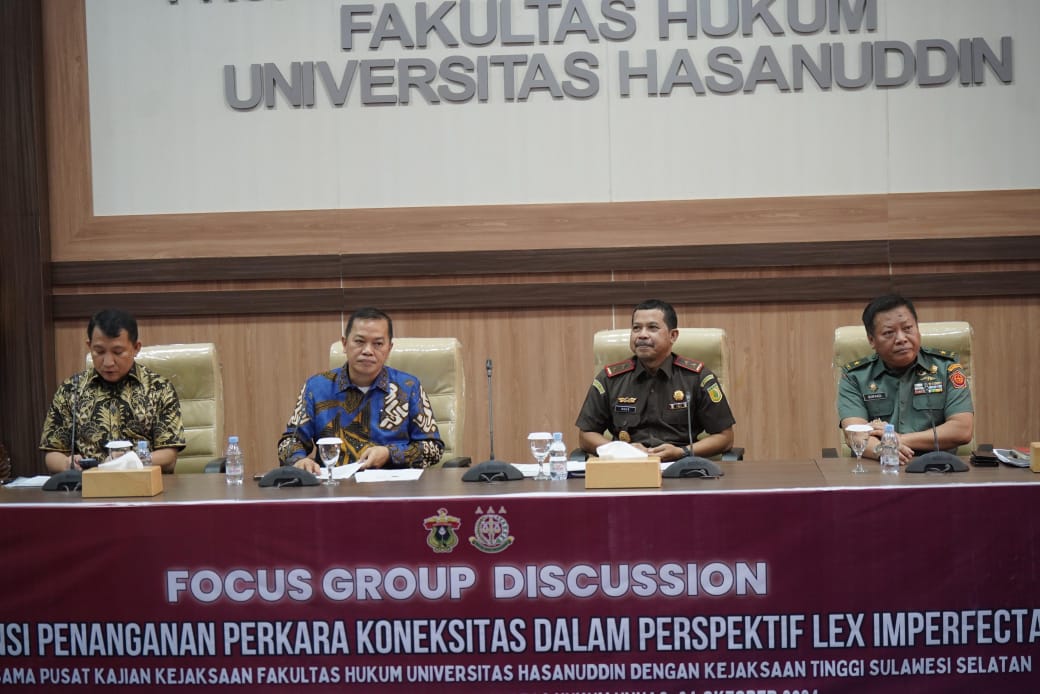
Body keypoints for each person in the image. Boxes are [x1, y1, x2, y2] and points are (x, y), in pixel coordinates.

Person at [278, 307, 443, 471]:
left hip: (393, 489)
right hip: (335, 489)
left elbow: (433, 449)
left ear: (389, 349)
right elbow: (290, 442)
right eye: (359, 341)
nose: (367, 351)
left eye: (378, 344)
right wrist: (298, 461)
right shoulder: (316, 387)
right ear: (344, 344)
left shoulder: (408, 387)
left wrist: (389, 453)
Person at [576, 299, 736, 461]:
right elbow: (586, 435)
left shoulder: (697, 377)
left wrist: (683, 452)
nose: (642, 335)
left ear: (673, 336)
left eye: (652, 328)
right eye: (636, 328)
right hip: (626, 467)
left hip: (680, 468)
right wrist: (620, 450)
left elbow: (725, 437)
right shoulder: (609, 379)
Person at [40, 309, 185, 474]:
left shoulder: (159, 389)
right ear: (89, 346)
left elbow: (169, 455)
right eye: (99, 352)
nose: (108, 362)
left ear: (136, 348)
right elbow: (52, 452)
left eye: (118, 352)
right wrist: (67, 463)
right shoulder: (70, 390)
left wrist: (132, 460)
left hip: (144, 487)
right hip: (87, 488)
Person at [838, 294, 974, 465]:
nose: (901, 339)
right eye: (889, 332)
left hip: (938, 469)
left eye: (908, 328)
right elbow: (855, 435)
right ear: (872, 340)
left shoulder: (947, 368)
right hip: (880, 468)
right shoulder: (855, 377)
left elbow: (962, 430)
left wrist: (898, 439)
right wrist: (885, 451)